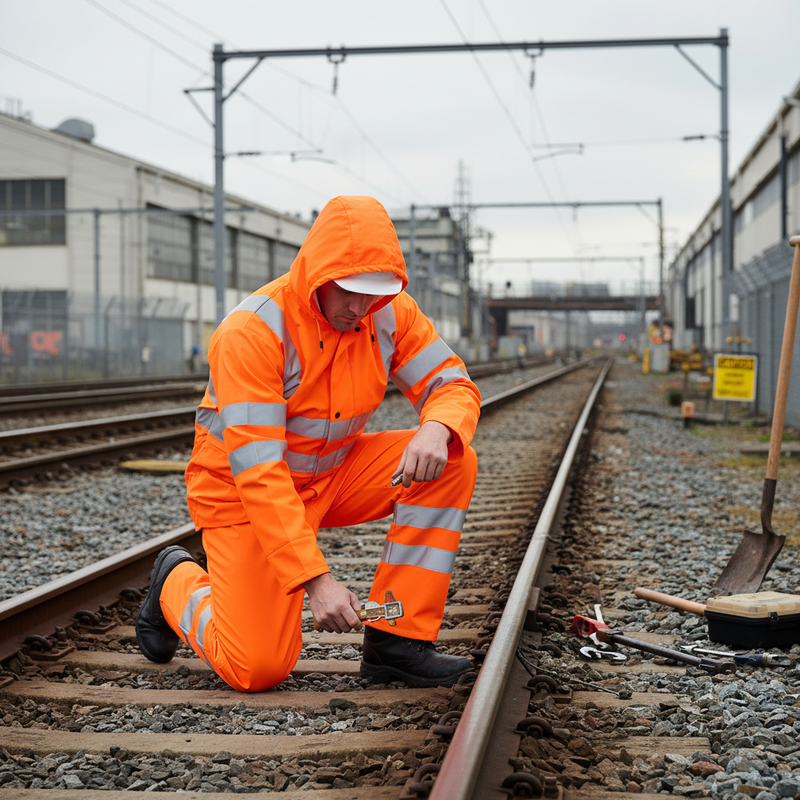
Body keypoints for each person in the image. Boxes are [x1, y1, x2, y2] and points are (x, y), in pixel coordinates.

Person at [135, 195, 481, 692]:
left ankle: (398, 641)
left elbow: (452, 383)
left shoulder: (389, 313)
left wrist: (437, 427)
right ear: (319, 272)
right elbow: (259, 473)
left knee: (452, 458)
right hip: (242, 497)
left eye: (373, 294)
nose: (359, 308)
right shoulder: (253, 332)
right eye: (349, 291)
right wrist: (317, 580)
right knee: (256, 667)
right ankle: (175, 582)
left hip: (331, 476)